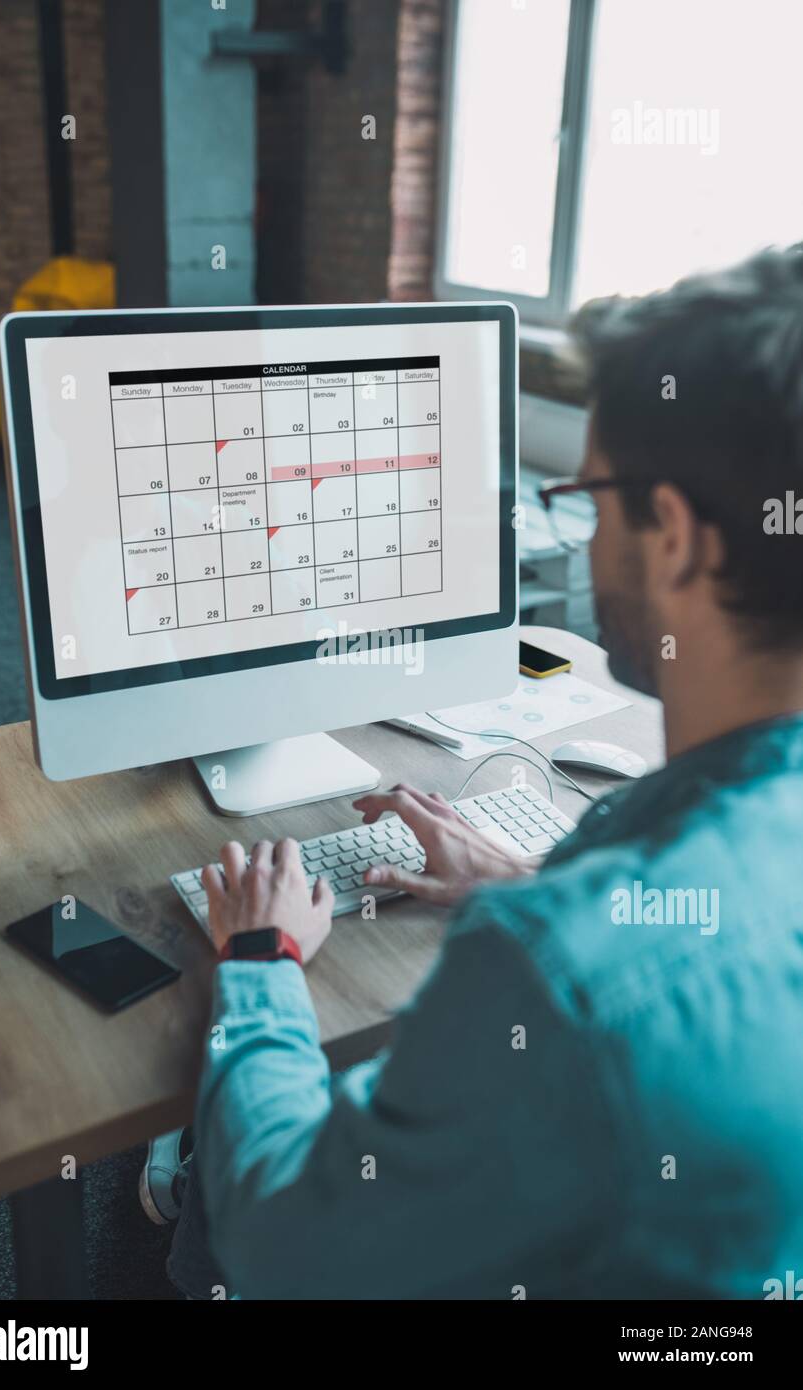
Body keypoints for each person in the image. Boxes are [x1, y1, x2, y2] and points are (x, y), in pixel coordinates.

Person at [144, 248, 803, 1299]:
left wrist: (262, 963)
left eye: (587, 495)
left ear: (671, 536)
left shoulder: (550, 974)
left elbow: (288, 1252)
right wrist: (524, 885)